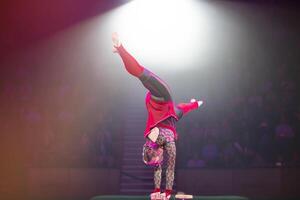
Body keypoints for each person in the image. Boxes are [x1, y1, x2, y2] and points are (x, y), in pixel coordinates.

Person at [112, 33, 203, 200]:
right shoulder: (165, 139)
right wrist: (158, 191)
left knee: (142, 75)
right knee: (181, 109)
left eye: (157, 157)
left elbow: (167, 164)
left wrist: (166, 192)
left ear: (154, 149)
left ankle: (120, 47)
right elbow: (164, 166)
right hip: (167, 114)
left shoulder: (154, 140)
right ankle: (195, 103)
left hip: (161, 97)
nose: (159, 160)